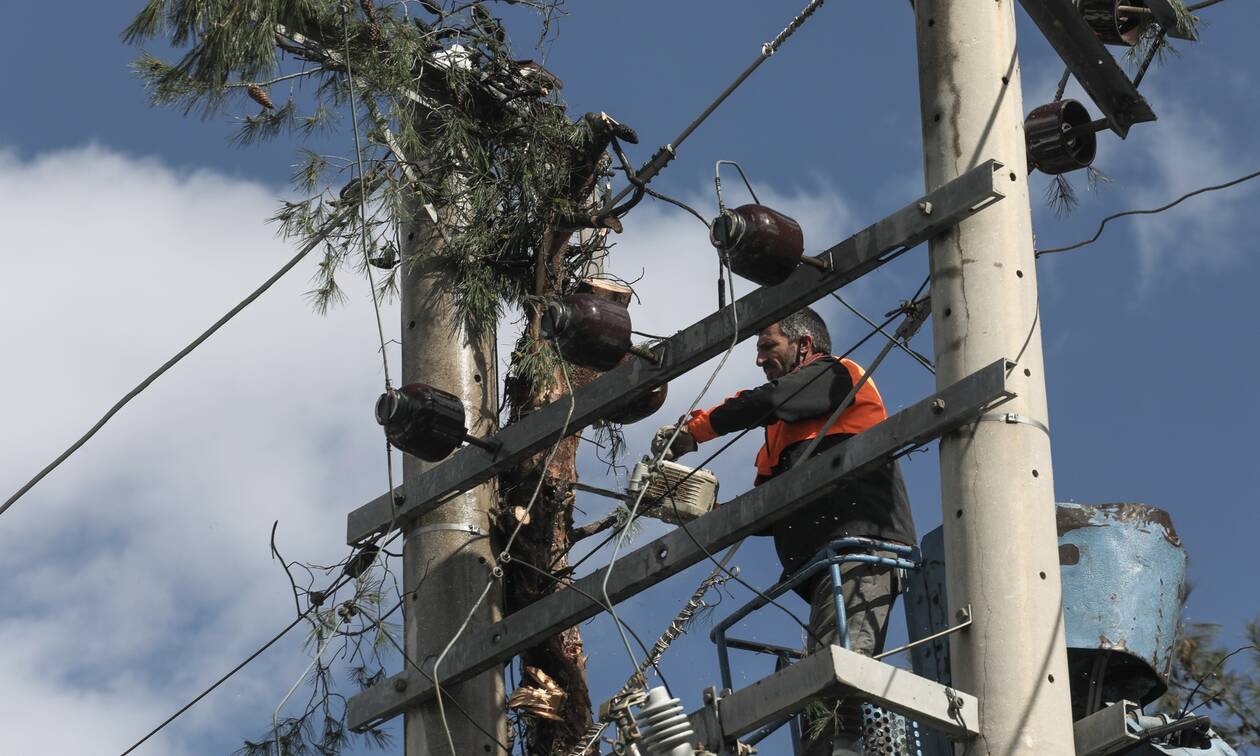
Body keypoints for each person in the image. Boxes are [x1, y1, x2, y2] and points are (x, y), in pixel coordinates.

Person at [652, 306, 915, 756]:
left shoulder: (838, 375)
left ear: (804, 345)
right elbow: (769, 510)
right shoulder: (785, 433)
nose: (759, 359)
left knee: (837, 667)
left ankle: (842, 749)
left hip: (863, 551)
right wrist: (708, 509)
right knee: (821, 670)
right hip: (826, 568)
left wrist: (696, 429)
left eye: (767, 346)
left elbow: (768, 400)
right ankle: (831, 747)